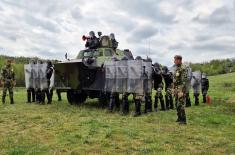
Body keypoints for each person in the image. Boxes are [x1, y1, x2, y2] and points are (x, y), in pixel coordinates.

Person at [172, 55, 187, 124]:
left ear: (179, 60)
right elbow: (175, 79)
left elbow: (184, 81)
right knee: (176, 103)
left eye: (175, 60)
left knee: (181, 104)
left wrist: (182, 91)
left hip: (181, 89)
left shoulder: (183, 68)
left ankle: (183, 120)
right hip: (176, 88)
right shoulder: (177, 68)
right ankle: (179, 117)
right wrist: (174, 88)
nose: (174, 61)